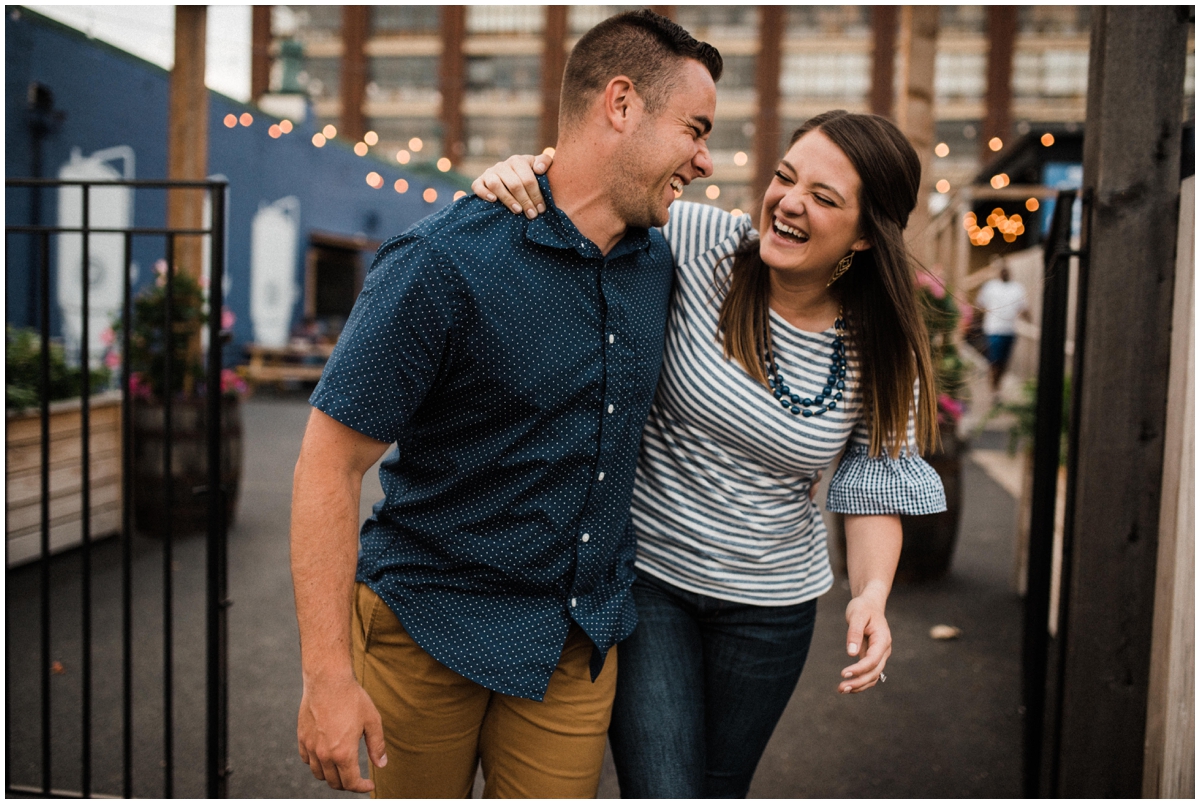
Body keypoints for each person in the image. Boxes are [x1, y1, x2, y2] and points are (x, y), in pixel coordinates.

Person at [289, 10, 722, 798]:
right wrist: (326, 678)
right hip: (426, 630)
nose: (706, 158)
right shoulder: (443, 262)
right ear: (620, 105)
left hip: (574, 648)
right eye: (694, 129)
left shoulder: (663, 260)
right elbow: (329, 461)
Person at [473, 109, 947, 797]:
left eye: (824, 198)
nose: (788, 203)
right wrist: (526, 174)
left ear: (868, 236)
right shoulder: (700, 241)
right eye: (786, 178)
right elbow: (594, 198)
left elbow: (873, 489)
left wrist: (872, 594)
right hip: (650, 580)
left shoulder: (883, 348)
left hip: (772, 610)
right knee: (665, 789)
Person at [974, 261, 1029, 397]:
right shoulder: (990, 287)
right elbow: (979, 305)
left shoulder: (1017, 288)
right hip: (994, 330)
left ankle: (997, 386)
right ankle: (994, 389)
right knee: (995, 360)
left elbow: (1023, 308)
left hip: (1010, 330)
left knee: (1004, 361)